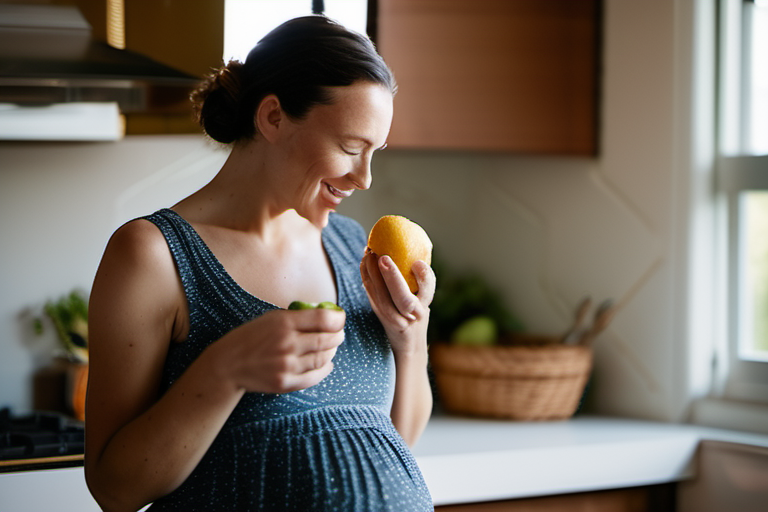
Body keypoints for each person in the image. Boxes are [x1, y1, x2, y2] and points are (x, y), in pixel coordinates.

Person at [84, 15, 436, 512]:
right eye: (350, 147)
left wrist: (410, 340)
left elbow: (395, 441)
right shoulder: (152, 254)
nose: (365, 178)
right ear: (272, 117)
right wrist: (225, 370)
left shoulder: (352, 244)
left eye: (374, 152)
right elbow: (114, 489)